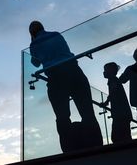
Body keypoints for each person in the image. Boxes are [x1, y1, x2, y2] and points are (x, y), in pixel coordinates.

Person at [29, 21, 103, 152]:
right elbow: (66, 50)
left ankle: (69, 150)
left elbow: (35, 63)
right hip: (74, 71)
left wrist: (33, 42)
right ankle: (98, 146)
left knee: (62, 117)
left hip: (55, 77)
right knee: (87, 112)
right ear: (43, 27)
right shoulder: (56, 35)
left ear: (32, 33)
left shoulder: (34, 44)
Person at [100, 62, 132, 143]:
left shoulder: (113, 80)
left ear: (110, 71)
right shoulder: (115, 80)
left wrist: (106, 102)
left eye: (105, 70)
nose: (103, 72)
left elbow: (113, 91)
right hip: (123, 114)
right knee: (125, 137)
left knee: (117, 138)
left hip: (120, 114)